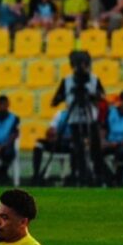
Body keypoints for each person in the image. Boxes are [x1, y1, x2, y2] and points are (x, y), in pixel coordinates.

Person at [51, 50, 107, 186]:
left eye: (83, 64)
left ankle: (98, 176)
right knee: (78, 149)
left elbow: (103, 97)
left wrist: (93, 96)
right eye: (77, 64)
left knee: (95, 148)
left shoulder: (94, 79)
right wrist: (64, 95)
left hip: (91, 119)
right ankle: (81, 177)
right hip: (74, 119)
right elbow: (55, 101)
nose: (80, 68)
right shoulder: (67, 81)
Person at [31, 109, 72, 185]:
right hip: (57, 143)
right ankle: (36, 174)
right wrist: (53, 136)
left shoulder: (81, 116)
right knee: (38, 145)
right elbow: (50, 130)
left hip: (70, 145)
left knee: (75, 146)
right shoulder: (60, 114)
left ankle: (74, 176)